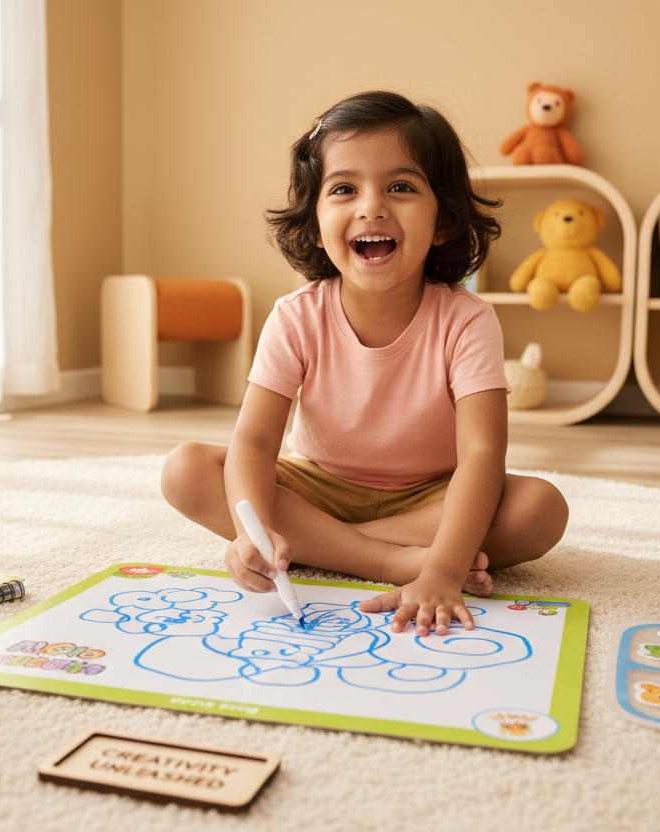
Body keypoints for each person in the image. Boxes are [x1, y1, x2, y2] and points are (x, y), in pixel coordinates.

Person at [161, 91, 568, 637]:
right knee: (185, 469)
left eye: (400, 187)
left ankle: (348, 546)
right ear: (314, 222)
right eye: (344, 189)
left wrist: (443, 570)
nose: (371, 206)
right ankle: (388, 559)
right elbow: (255, 445)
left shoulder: (468, 320)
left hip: (432, 494)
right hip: (317, 485)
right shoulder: (294, 316)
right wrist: (247, 532)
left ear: (443, 220)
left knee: (541, 508)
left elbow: (481, 454)